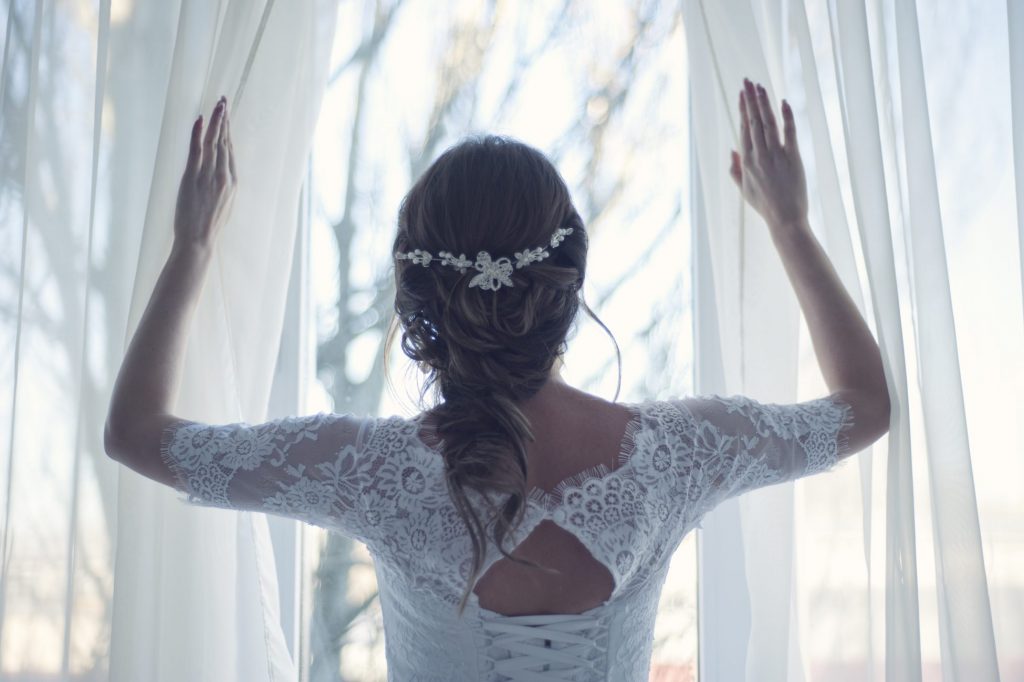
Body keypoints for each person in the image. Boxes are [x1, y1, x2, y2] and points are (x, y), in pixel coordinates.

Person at [105, 79, 891, 680]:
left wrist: (193, 247)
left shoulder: (369, 471)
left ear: (418, 297)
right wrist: (790, 225)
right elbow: (864, 405)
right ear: (569, 278)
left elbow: (136, 433)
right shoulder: (676, 455)